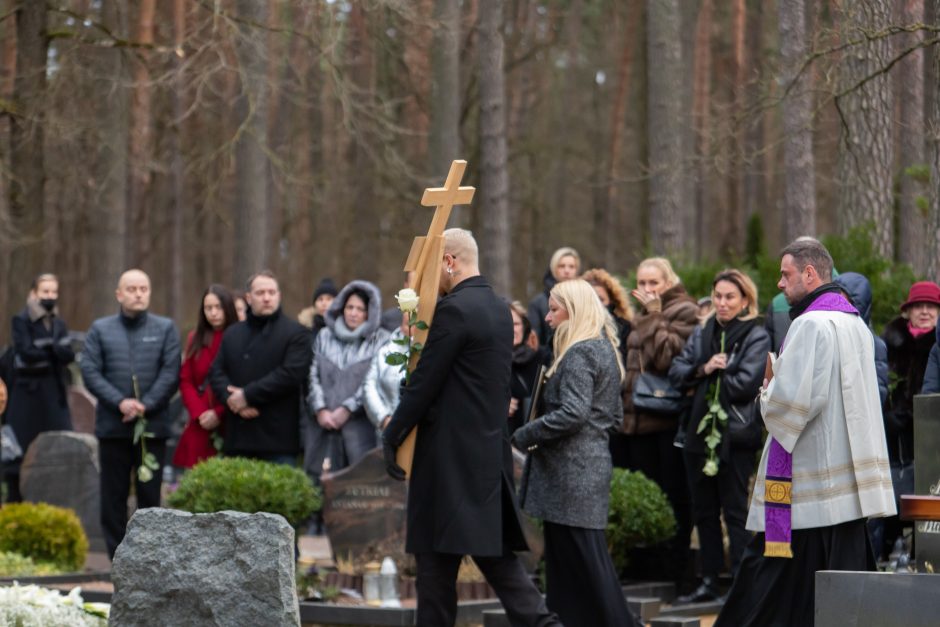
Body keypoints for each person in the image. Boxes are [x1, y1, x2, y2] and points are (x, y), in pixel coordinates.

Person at [382, 228, 558, 627]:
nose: (432, 279)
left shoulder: (455, 310)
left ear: (449, 261)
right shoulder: (497, 308)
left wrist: (392, 435)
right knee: (494, 564)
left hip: (447, 461)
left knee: (437, 574)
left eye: (434, 268)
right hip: (484, 457)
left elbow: (426, 382)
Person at [716, 239, 895, 627]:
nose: (780, 284)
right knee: (836, 579)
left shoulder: (809, 324)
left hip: (809, 480)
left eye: (786, 274)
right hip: (847, 480)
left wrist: (767, 391)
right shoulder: (855, 325)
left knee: (775, 577)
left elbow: (792, 406)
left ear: (809, 274)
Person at [512, 279, 638, 627]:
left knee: (586, 564)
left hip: (572, 474)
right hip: (582, 469)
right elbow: (612, 417)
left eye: (554, 309)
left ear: (575, 310)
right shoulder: (603, 348)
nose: (548, 318)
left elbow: (573, 413)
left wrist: (525, 434)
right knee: (569, 566)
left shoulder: (581, 352)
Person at [668, 270, 770, 603]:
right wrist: (705, 369)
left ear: (745, 300)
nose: (722, 303)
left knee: (735, 510)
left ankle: (740, 584)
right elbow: (677, 372)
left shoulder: (756, 333)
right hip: (698, 434)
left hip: (735, 436)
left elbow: (746, 383)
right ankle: (709, 581)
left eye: (730, 297)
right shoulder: (703, 331)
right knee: (704, 511)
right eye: (718, 296)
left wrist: (714, 375)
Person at [81, 269, 181, 559]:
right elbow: (90, 371)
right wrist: (120, 402)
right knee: (113, 496)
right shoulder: (101, 329)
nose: (138, 293)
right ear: (119, 294)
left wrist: (145, 404)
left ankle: (149, 558)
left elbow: (171, 371)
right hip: (113, 427)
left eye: (144, 288)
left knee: (150, 495)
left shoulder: (165, 329)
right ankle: (117, 559)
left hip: (153, 427)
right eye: (132, 288)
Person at [621, 256, 698, 582]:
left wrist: (654, 315)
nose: (647, 289)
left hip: (665, 421)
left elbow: (667, 359)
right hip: (636, 421)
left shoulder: (685, 310)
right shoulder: (641, 313)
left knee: (671, 496)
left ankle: (672, 568)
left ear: (668, 282)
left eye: (654, 283)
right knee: (644, 497)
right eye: (642, 283)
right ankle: (645, 565)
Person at [208, 270, 311, 464]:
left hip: (278, 440)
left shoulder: (296, 333)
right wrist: (233, 401)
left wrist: (247, 396)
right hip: (238, 436)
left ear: (279, 296)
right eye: (260, 293)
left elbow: (289, 375)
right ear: (248, 298)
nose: (266, 298)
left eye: (272, 293)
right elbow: (216, 372)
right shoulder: (232, 333)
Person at [878, 280, 940, 558]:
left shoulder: (935, 347)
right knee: (890, 499)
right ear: (908, 311)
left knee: (927, 496)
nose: (925, 312)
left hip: (930, 438)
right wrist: (886, 415)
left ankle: (922, 554)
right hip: (893, 438)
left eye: (931, 307)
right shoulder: (888, 343)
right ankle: (889, 555)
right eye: (919, 306)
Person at [307, 279, 390, 474]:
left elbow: (374, 381)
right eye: (349, 307)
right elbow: (312, 375)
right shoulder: (324, 336)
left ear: (369, 312)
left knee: (360, 487)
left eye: (360, 309)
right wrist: (320, 409)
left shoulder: (381, 340)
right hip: (323, 426)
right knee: (320, 488)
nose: (353, 313)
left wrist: (347, 408)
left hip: (361, 428)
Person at [5, 274, 75, 502]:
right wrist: (54, 350)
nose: (50, 296)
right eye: (45, 292)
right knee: (18, 453)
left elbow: (68, 355)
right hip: (26, 395)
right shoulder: (21, 320)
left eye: (54, 292)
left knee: (59, 446)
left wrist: (47, 349)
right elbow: (26, 353)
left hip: (54, 395)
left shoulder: (58, 322)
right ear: (34, 293)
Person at [171, 285, 238, 471]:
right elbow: (186, 379)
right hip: (199, 420)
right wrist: (199, 412)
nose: (213, 313)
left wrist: (218, 412)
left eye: (218, 307)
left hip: (228, 418)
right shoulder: (196, 338)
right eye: (208, 308)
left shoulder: (238, 336)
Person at [507, 301, 549, 436]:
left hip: (538, 437)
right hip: (506, 440)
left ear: (524, 327)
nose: (512, 329)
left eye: (516, 324)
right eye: (506, 323)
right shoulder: (489, 362)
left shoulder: (544, 357)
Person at [528, 247, 580, 348]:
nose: (567, 270)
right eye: (561, 266)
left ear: (577, 270)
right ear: (553, 268)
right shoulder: (538, 303)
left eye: (571, 266)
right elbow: (534, 344)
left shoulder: (584, 298)